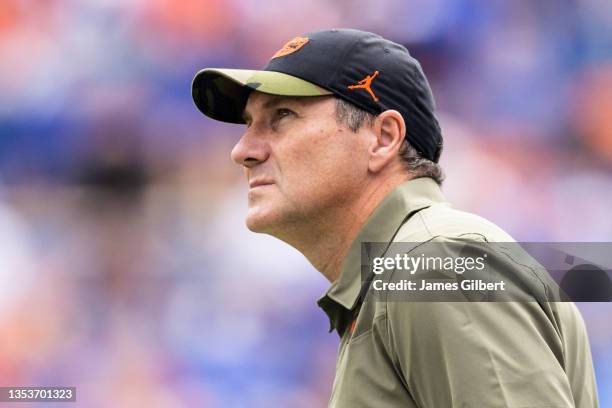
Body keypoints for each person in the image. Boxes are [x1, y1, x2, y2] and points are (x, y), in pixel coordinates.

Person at [192, 29, 598, 407]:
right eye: (249, 124)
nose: (243, 150)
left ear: (383, 138)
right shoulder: (404, 269)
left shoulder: (433, 263)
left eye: (282, 116)